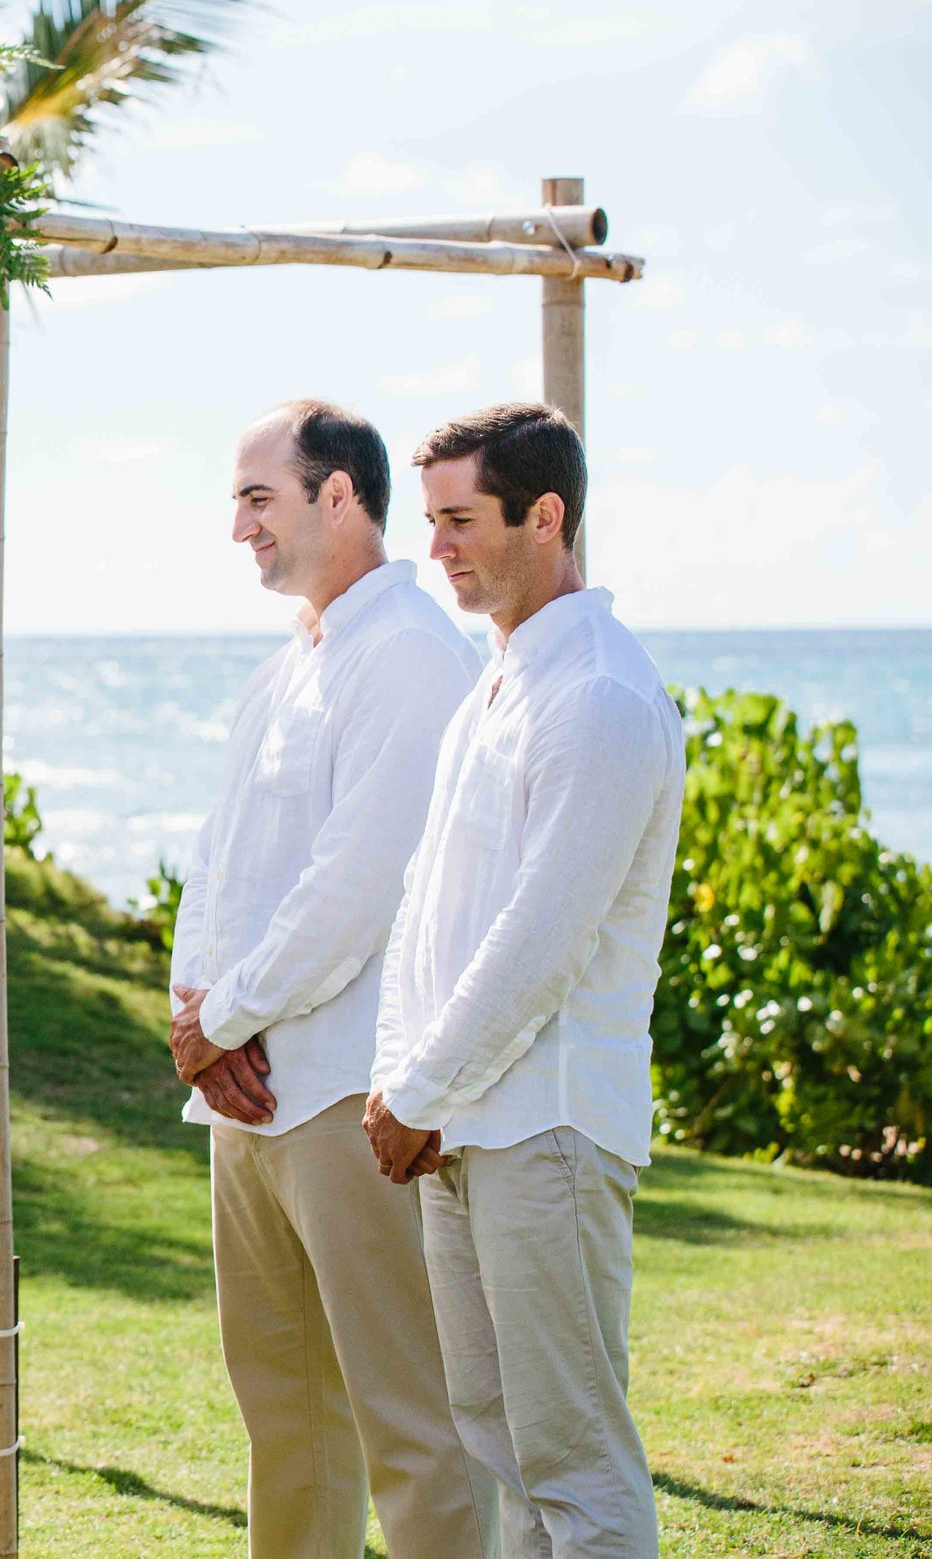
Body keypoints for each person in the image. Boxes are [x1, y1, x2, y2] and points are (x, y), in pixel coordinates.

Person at [166, 404, 495, 1559]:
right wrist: (194, 1015)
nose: (239, 526)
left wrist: (226, 1020)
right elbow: (216, 863)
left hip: (344, 1098)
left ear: (341, 496)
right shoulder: (283, 666)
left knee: (412, 1425)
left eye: (259, 498)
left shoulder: (407, 652)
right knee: (286, 1421)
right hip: (248, 1101)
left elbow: (357, 881)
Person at [370, 403, 684, 1559]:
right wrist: (401, 1081)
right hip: (463, 1122)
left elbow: (540, 938)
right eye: (431, 521)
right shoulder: (497, 680)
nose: (436, 548)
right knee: (500, 1447)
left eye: (460, 520)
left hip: (544, 1122)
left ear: (544, 516)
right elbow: (427, 909)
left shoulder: (597, 695)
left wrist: (420, 1091)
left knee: (573, 1458)